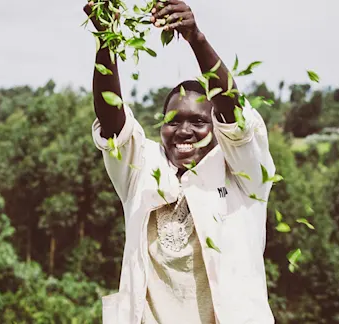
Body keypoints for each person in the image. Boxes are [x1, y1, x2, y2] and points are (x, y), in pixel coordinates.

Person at [83, 0, 277, 323]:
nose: (183, 131)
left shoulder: (243, 176)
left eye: (198, 122)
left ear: (217, 127)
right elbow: (111, 119)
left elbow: (236, 116)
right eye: (173, 120)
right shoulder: (142, 171)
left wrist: (195, 38)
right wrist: (107, 38)